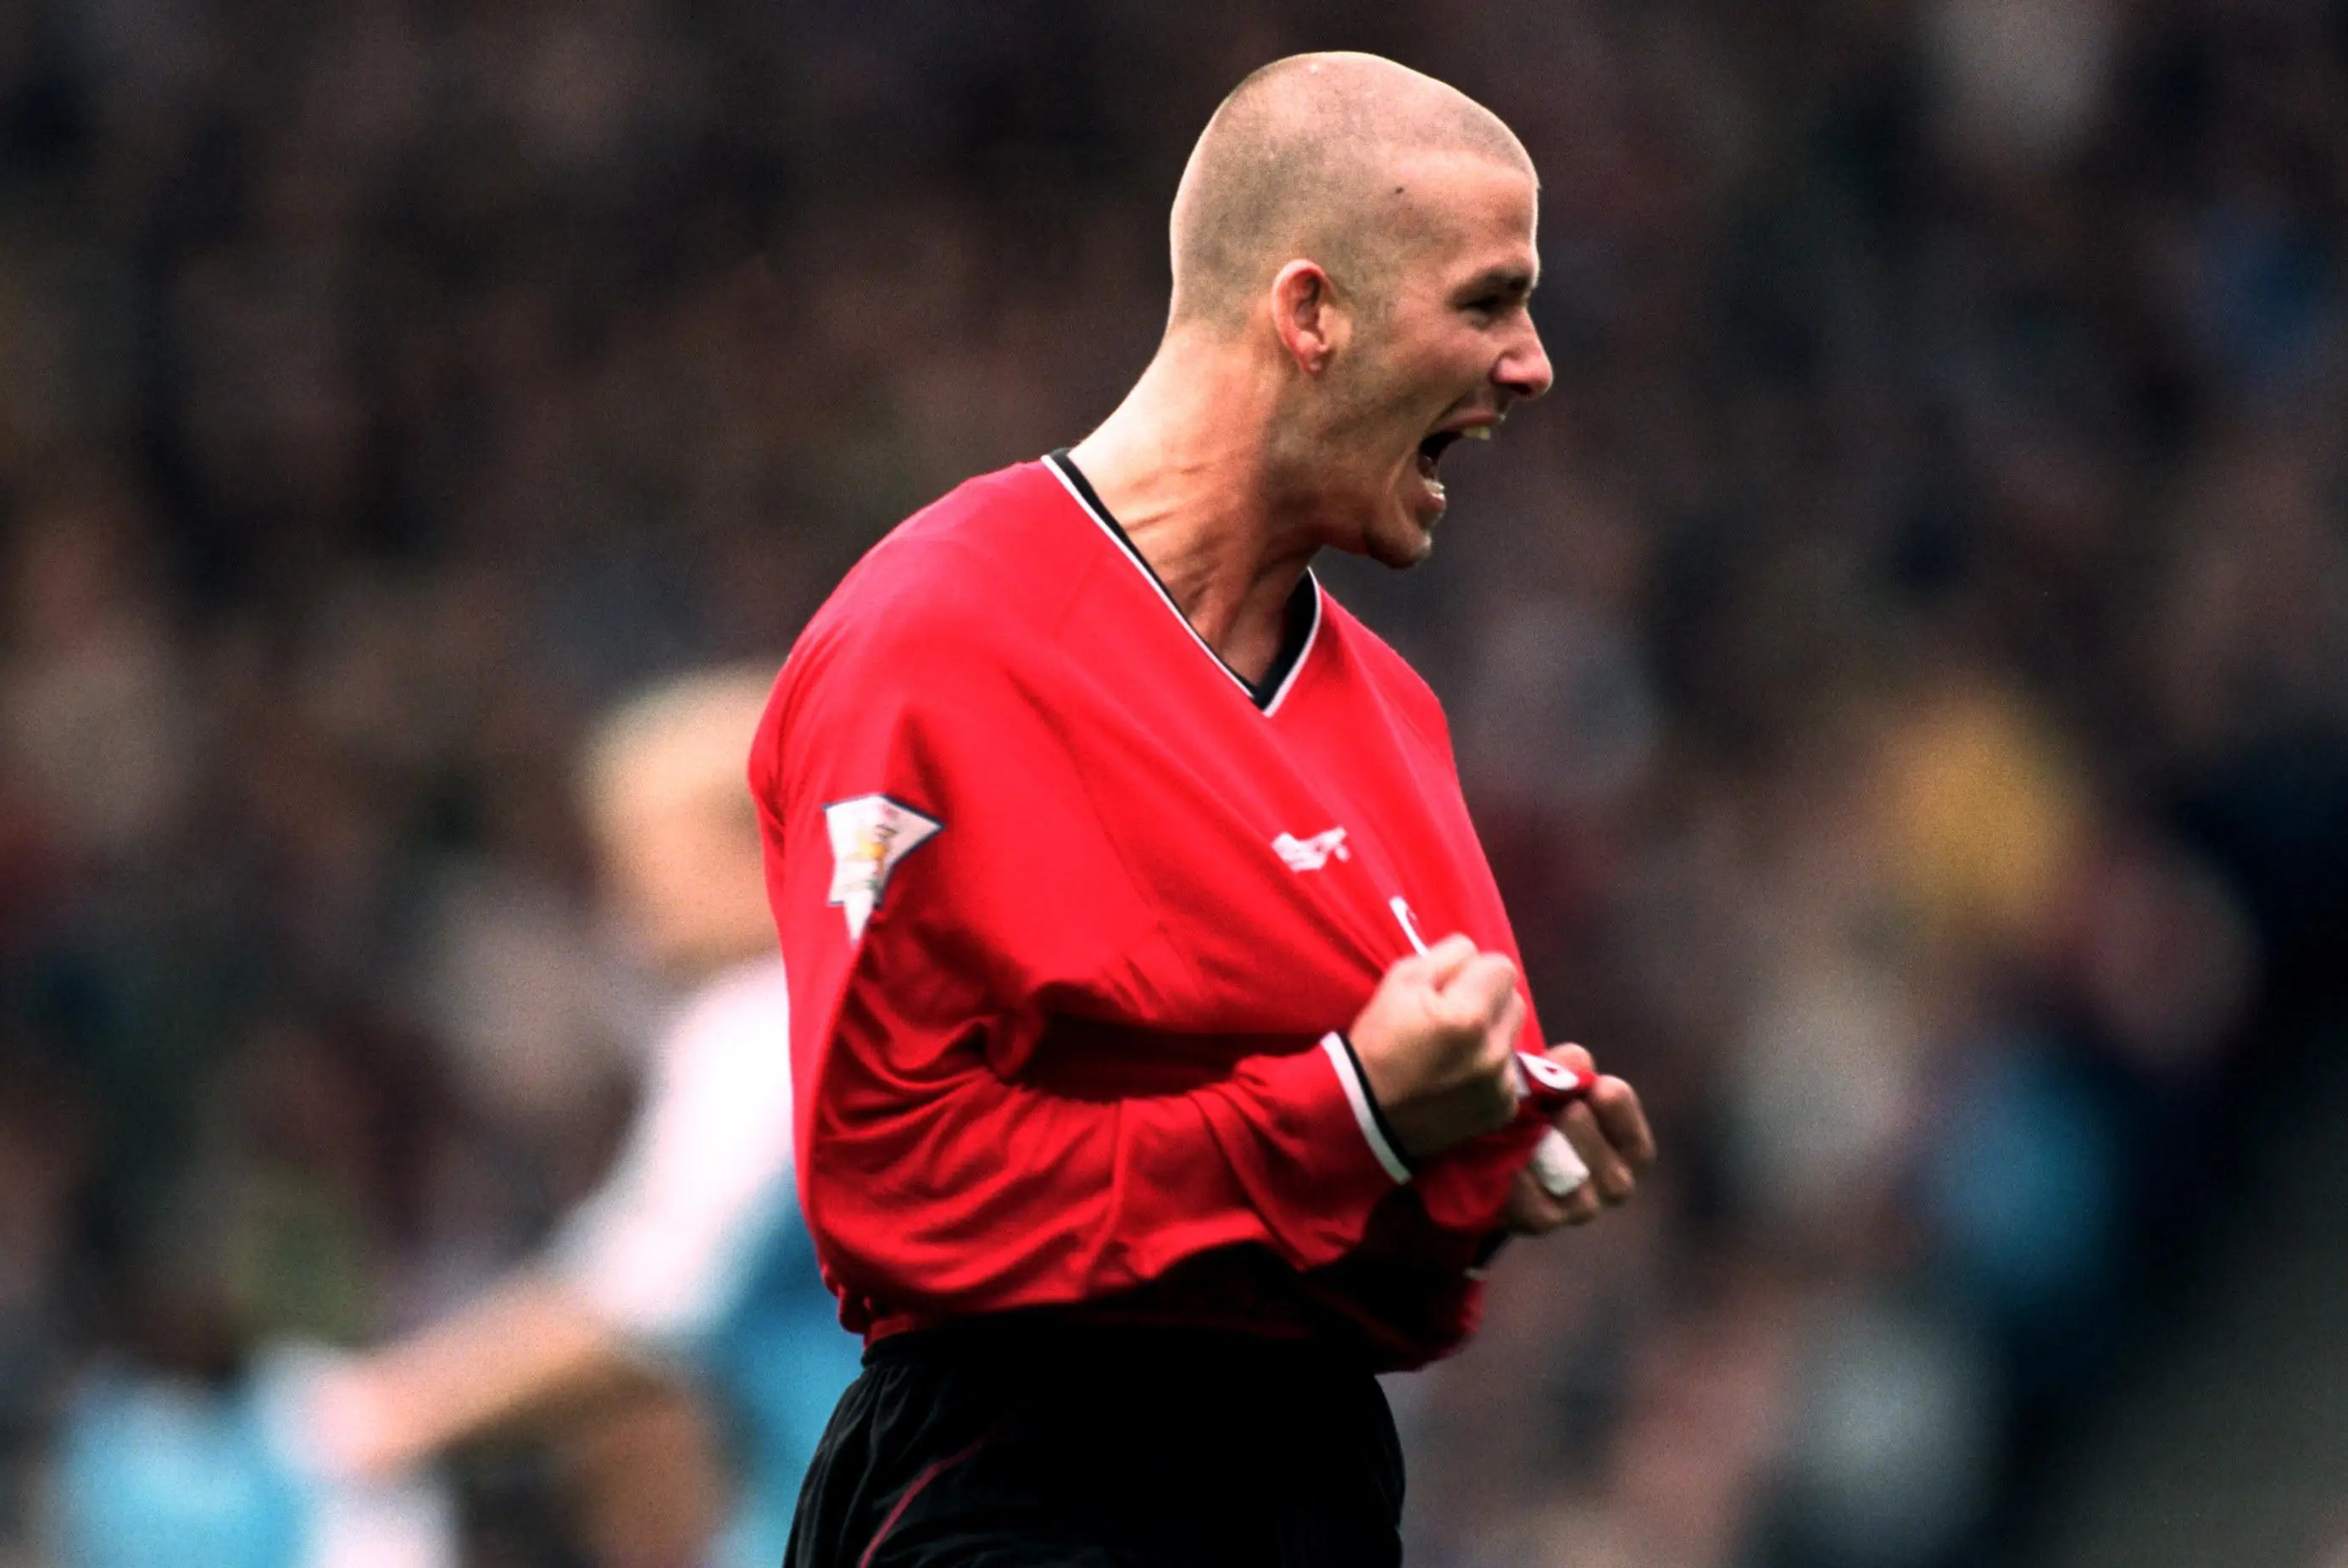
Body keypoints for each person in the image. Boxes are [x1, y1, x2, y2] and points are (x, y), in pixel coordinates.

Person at [754, 51, 1656, 1568]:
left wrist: (1484, 1162)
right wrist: (1351, 1112)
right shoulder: (933, 644)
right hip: (1022, 1485)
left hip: (1313, 1495)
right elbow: (892, 1196)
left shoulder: (1398, 719)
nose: (1534, 364)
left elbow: (1358, 1261)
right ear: (1311, 313)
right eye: (1491, 301)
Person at [298, 668, 865, 1568]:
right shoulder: (879, 1005)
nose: (625, 896)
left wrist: (394, 1410)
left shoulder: (765, 1028)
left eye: (643, 855)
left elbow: (642, 1298)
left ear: (759, 837)